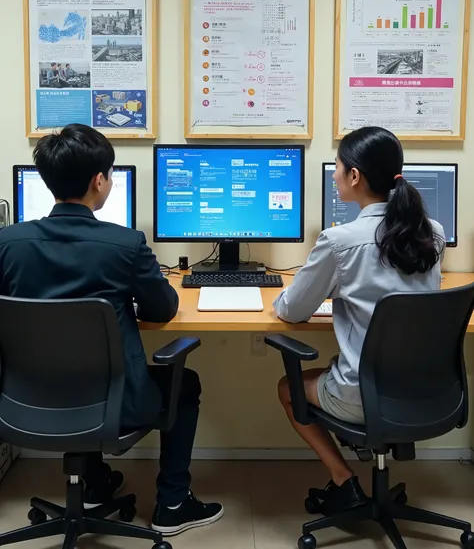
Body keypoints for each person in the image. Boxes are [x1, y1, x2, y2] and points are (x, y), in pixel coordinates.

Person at [0, 124, 223, 536]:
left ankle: (96, 483)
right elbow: (164, 307)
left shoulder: (8, 243)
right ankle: (173, 501)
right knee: (184, 382)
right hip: (116, 405)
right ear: (99, 180)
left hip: (25, 402)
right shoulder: (125, 244)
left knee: (73, 369)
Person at [274, 126, 445, 515]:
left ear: (355, 176)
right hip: (426, 391)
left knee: (288, 387)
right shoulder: (432, 234)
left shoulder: (341, 241)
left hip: (361, 396)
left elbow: (291, 310)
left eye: (337, 167)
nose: (334, 174)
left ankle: (342, 479)